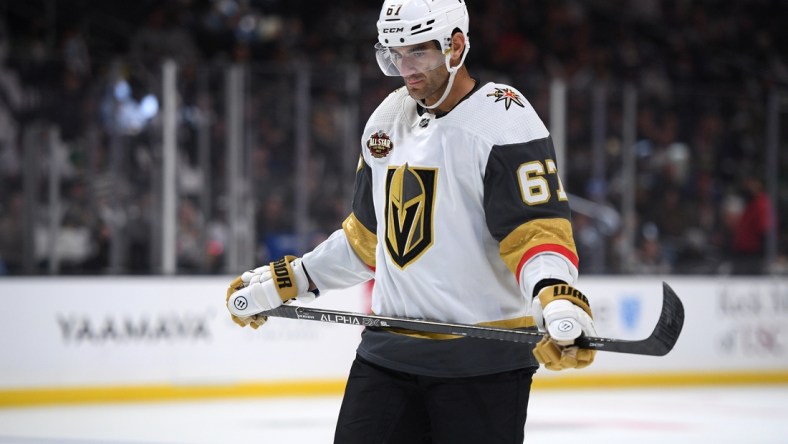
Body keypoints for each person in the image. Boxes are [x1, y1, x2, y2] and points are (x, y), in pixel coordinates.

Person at [226, 1, 597, 442]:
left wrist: (555, 296)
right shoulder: (388, 118)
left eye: (417, 52)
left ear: (456, 46)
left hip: (483, 365)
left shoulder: (505, 120)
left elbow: (537, 234)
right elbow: (367, 242)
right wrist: (289, 279)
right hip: (387, 356)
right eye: (394, 54)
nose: (405, 68)